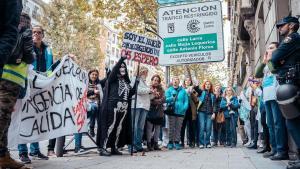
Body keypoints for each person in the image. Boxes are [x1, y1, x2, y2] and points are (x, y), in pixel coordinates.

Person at [0, 3, 30, 167]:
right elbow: (29, 56)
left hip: (8, 75)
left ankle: (3, 156)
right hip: (12, 78)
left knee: (4, 116)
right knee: (3, 117)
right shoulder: (25, 33)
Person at [18, 25, 51, 163]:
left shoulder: (48, 51)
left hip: (41, 88)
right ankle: (23, 152)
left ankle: (35, 150)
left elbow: (50, 68)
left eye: (39, 32)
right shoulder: (26, 47)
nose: (36, 34)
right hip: (27, 86)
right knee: (24, 119)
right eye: (34, 32)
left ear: (42, 35)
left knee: (37, 120)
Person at [271, 16, 300, 169]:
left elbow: (274, 58)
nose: (279, 28)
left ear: (291, 25)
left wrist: (279, 60)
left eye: (281, 25)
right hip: (290, 83)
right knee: (292, 120)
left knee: (292, 121)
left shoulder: (292, 38)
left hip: (292, 83)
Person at [96, 55, 136, 156]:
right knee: (110, 126)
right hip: (112, 105)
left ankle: (114, 147)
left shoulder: (126, 82)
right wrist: (122, 59)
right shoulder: (112, 78)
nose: (122, 68)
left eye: (124, 67)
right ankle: (103, 148)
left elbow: (130, 94)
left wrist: (136, 84)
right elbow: (113, 71)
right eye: (120, 67)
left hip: (124, 106)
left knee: (119, 127)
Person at [255, 42, 288, 160]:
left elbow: (274, 71)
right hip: (266, 97)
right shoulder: (267, 63)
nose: (268, 50)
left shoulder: (278, 60)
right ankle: (273, 149)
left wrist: (269, 60)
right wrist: (264, 61)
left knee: (277, 123)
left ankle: (281, 150)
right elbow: (257, 74)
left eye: (271, 48)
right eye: (268, 48)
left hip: (276, 96)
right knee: (270, 124)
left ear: (277, 49)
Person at [74, 69, 103, 153]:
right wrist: (93, 91)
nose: (94, 76)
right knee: (79, 125)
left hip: (97, 106)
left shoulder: (99, 84)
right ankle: (77, 146)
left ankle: (80, 146)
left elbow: (101, 96)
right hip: (84, 106)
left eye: (95, 75)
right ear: (89, 75)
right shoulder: (84, 83)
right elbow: (82, 93)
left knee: (95, 111)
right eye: (92, 74)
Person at [130, 66, 151, 152]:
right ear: (141, 72)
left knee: (140, 127)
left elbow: (147, 94)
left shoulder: (145, 82)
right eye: (145, 72)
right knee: (134, 126)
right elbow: (137, 90)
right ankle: (132, 145)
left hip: (144, 106)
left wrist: (153, 93)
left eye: (146, 72)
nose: (146, 74)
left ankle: (138, 144)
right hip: (137, 105)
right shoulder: (134, 79)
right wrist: (149, 90)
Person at [165, 76, 189, 150]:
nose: (175, 81)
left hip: (181, 112)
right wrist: (172, 98)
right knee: (171, 127)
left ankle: (177, 142)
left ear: (179, 82)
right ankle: (170, 142)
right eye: (174, 79)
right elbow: (166, 99)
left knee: (178, 128)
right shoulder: (169, 90)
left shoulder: (183, 91)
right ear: (172, 81)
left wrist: (184, 108)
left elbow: (186, 101)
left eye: (177, 79)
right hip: (172, 111)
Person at [146, 75, 165, 151]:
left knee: (157, 128)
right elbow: (149, 99)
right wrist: (157, 101)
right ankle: (149, 143)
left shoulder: (162, 89)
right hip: (150, 110)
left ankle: (156, 143)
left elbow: (164, 98)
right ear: (152, 80)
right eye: (154, 80)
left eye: (157, 80)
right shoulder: (149, 88)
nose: (156, 82)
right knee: (149, 128)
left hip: (159, 111)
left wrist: (158, 101)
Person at [194, 80, 215, 148]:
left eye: (209, 84)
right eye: (206, 84)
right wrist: (196, 85)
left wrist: (214, 113)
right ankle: (201, 143)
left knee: (208, 128)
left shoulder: (212, 95)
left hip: (209, 113)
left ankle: (208, 143)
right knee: (202, 127)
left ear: (211, 86)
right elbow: (197, 89)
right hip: (201, 112)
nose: (207, 85)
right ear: (204, 85)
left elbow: (214, 105)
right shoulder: (201, 92)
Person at [180, 77, 198, 148]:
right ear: (184, 82)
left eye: (189, 80)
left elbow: (196, 100)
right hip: (183, 110)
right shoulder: (181, 89)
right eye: (186, 80)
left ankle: (192, 142)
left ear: (190, 82)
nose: (187, 81)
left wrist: (192, 93)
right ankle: (181, 142)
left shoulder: (193, 90)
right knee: (182, 127)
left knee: (191, 127)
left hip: (191, 110)